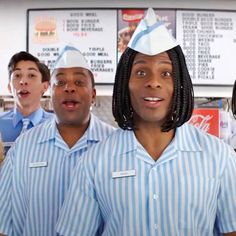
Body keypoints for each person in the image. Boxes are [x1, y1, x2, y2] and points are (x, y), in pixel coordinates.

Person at [56, 8, 236, 236]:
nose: (153, 82)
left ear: (179, 84)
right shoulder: (94, 161)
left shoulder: (220, 157)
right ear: (124, 83)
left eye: (166, 74)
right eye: (141, 72)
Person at [0, 45, 115, 236]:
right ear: (50, 93)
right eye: (60, 83)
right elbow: (3, 223)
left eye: (79, 82)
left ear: (93, 95)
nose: (69, 87)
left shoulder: (116, 146)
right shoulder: (23, 147)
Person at [0, 51, 54, 153]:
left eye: (31, 75)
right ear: (9, 87)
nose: (23, 81)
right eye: (17, 75)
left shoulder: (58, 126)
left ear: (45, 86)